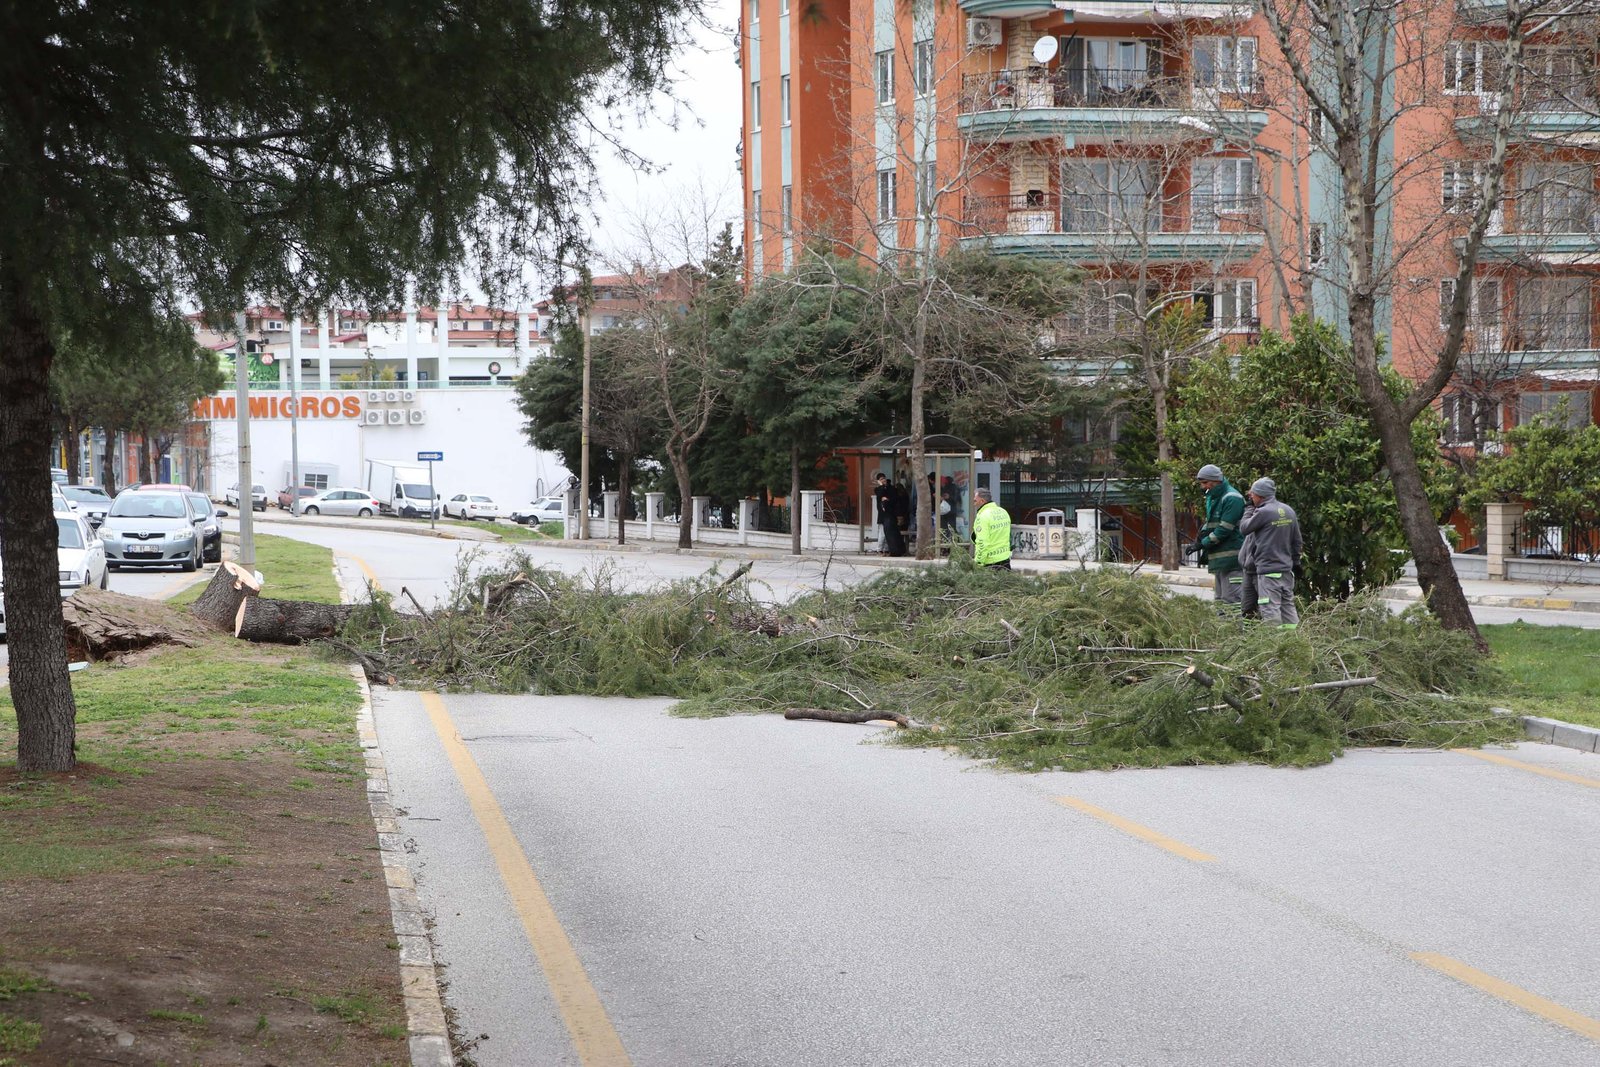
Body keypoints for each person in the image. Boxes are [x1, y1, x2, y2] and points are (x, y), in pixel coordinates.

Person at [1238, 477, 1303, 628]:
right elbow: (1297, 541)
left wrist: (1249, 510)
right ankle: (1294, 638)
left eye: (1252, 495)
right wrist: (1296, 562)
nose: (1251, 498)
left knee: (1269, 609)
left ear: (1260, 495)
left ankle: (1273, 640)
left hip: (1268, 571)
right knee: (1287, 608)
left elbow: (1244, 528)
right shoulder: (1288, 511)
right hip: (1285, 570)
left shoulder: (1263, 512)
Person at [1191, 463, 1246, 610]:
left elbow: (1224, 529)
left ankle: (1236, 627)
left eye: (1205, 483)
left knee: (1232, 602)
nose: (1203, 486)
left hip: (1232, 559)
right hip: (1221, 559)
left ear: (1215, 481)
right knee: (1220, 602)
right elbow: (1211, 523)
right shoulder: (1215, 497)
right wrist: (1198, 541)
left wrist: (1203, 543)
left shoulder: (1232, 498)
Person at [971, 487, 1012, 569]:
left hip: (990, 562)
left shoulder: (983, 516)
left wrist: (978, 563)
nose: (974, 503)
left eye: (975, 501)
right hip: (1005, 560)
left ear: (982, 501)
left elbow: (982, 542)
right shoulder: (1003, 512)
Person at [873, 472, 905, 557]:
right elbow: (879, 495)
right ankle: (879, 550)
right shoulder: (878, 489)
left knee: (889, 533)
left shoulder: (891, 488)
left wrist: (887, 499)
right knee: (882, 533)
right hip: (882, 515)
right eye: (881, 479)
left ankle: (887, 549)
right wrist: (881, 486)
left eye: (884, 478)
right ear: (878, 481)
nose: (883, 480)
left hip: (890, 514)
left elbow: (894, 499)